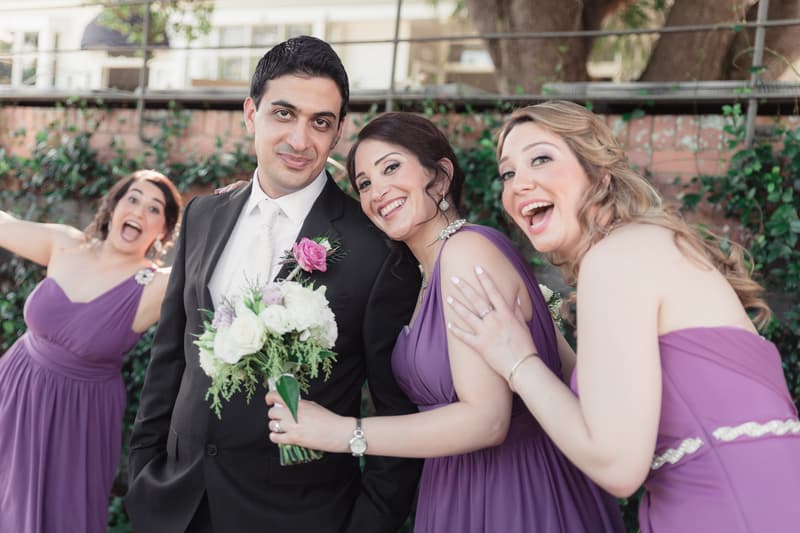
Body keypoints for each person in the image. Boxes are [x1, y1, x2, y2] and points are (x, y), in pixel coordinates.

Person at [444, 100, 800, 532]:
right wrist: (544, 338)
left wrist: (515, 360)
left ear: (599, 173)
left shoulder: (616, 258)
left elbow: (616, 466)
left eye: (541, 158)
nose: (519, 184)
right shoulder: (641, 246)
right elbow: (607, 407)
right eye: (508, 173)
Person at [266, 112, 624, 533]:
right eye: (364, 183)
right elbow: (565, 372)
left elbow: (487, 421)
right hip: (456, 488)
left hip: (511, 493)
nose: (378, 191)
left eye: (392, 168)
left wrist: (344, 433)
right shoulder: (426, 275)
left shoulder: (466, 252)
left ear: (439, 176)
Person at [124, 36, 423, 533]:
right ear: (251, 113)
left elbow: (398, 409)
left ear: (339, 131)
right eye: (283, 114)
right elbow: (169, 357)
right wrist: (144, 472)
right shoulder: (202, 214)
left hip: (298, 515)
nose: (301, 140)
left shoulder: (378, 250)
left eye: (320, 122)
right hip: (175, 502)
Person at [0, 169, 182, 533]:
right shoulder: (65, 244)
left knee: (62, 514)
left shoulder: (157, 285)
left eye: (153, 209)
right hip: (13, 389)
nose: (138, 211)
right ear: (114, 205)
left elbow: (217, 272)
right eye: (133, 199)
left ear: (162, 231)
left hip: (79, 414)